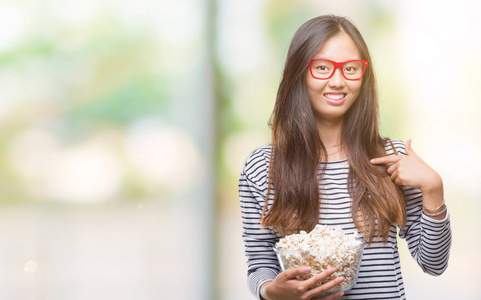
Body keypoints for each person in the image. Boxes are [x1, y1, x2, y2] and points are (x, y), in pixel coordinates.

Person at [238, 15, 451, 300]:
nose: (338, 81)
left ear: (363, 77)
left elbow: (434, 263)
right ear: (299, 72)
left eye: (350, 68)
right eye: (322, 68)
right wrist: (272, 292)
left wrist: (433, 189)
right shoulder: (263, 166)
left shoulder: (392, 158)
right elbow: (259, 264)